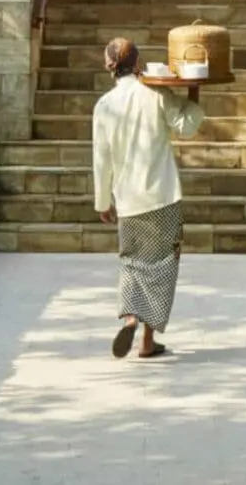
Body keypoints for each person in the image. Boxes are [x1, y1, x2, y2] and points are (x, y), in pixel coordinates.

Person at [91, 35, 203, 360]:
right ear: (138, 63)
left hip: (128, 200)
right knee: (162, 266)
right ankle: (147, 341)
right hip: (163, 196)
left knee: (131, 261)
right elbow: (186, 127)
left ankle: (129, 317)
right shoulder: (157, 94)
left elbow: (101, 159)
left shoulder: (104, 106)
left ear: (109, 67)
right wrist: (194, 90)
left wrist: (103, 202)